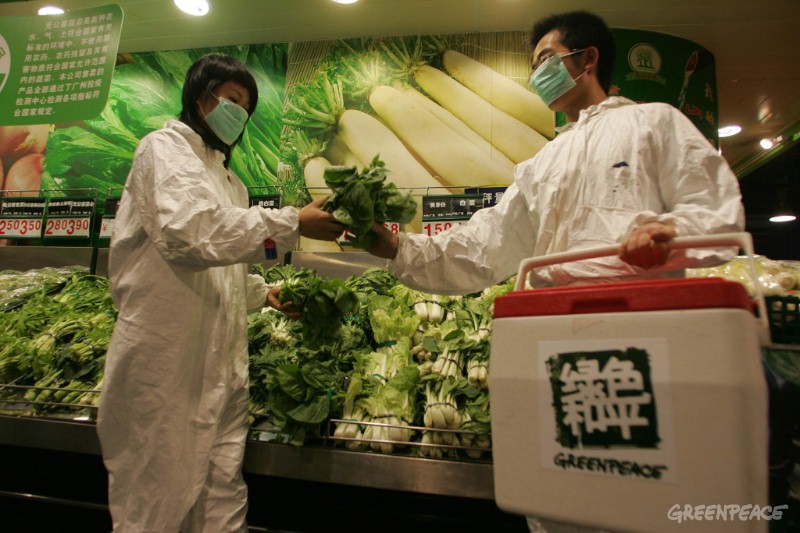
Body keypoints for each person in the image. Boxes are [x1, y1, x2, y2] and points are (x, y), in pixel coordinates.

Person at [96, 53, 343, 532]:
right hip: (167, 359)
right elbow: (188, 233)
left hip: (222, 362)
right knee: (156, 493)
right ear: (199, 97)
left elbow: (226, 259)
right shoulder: (163, 150)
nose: (239, 113)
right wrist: (293, 222)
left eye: (246, 107)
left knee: (222, 484)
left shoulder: (232, 184)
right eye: (232, 99)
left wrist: (262, 292)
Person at [359, 10, 744, 294]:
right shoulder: (543, 163)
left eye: (545, 59)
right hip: (556, 318)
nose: (537, 76)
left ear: (588, 58)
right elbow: (487, 244)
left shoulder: (653, 122)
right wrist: (397, 248)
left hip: (646, 310)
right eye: (534, 68)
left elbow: (714, 208)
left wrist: (669, 232)